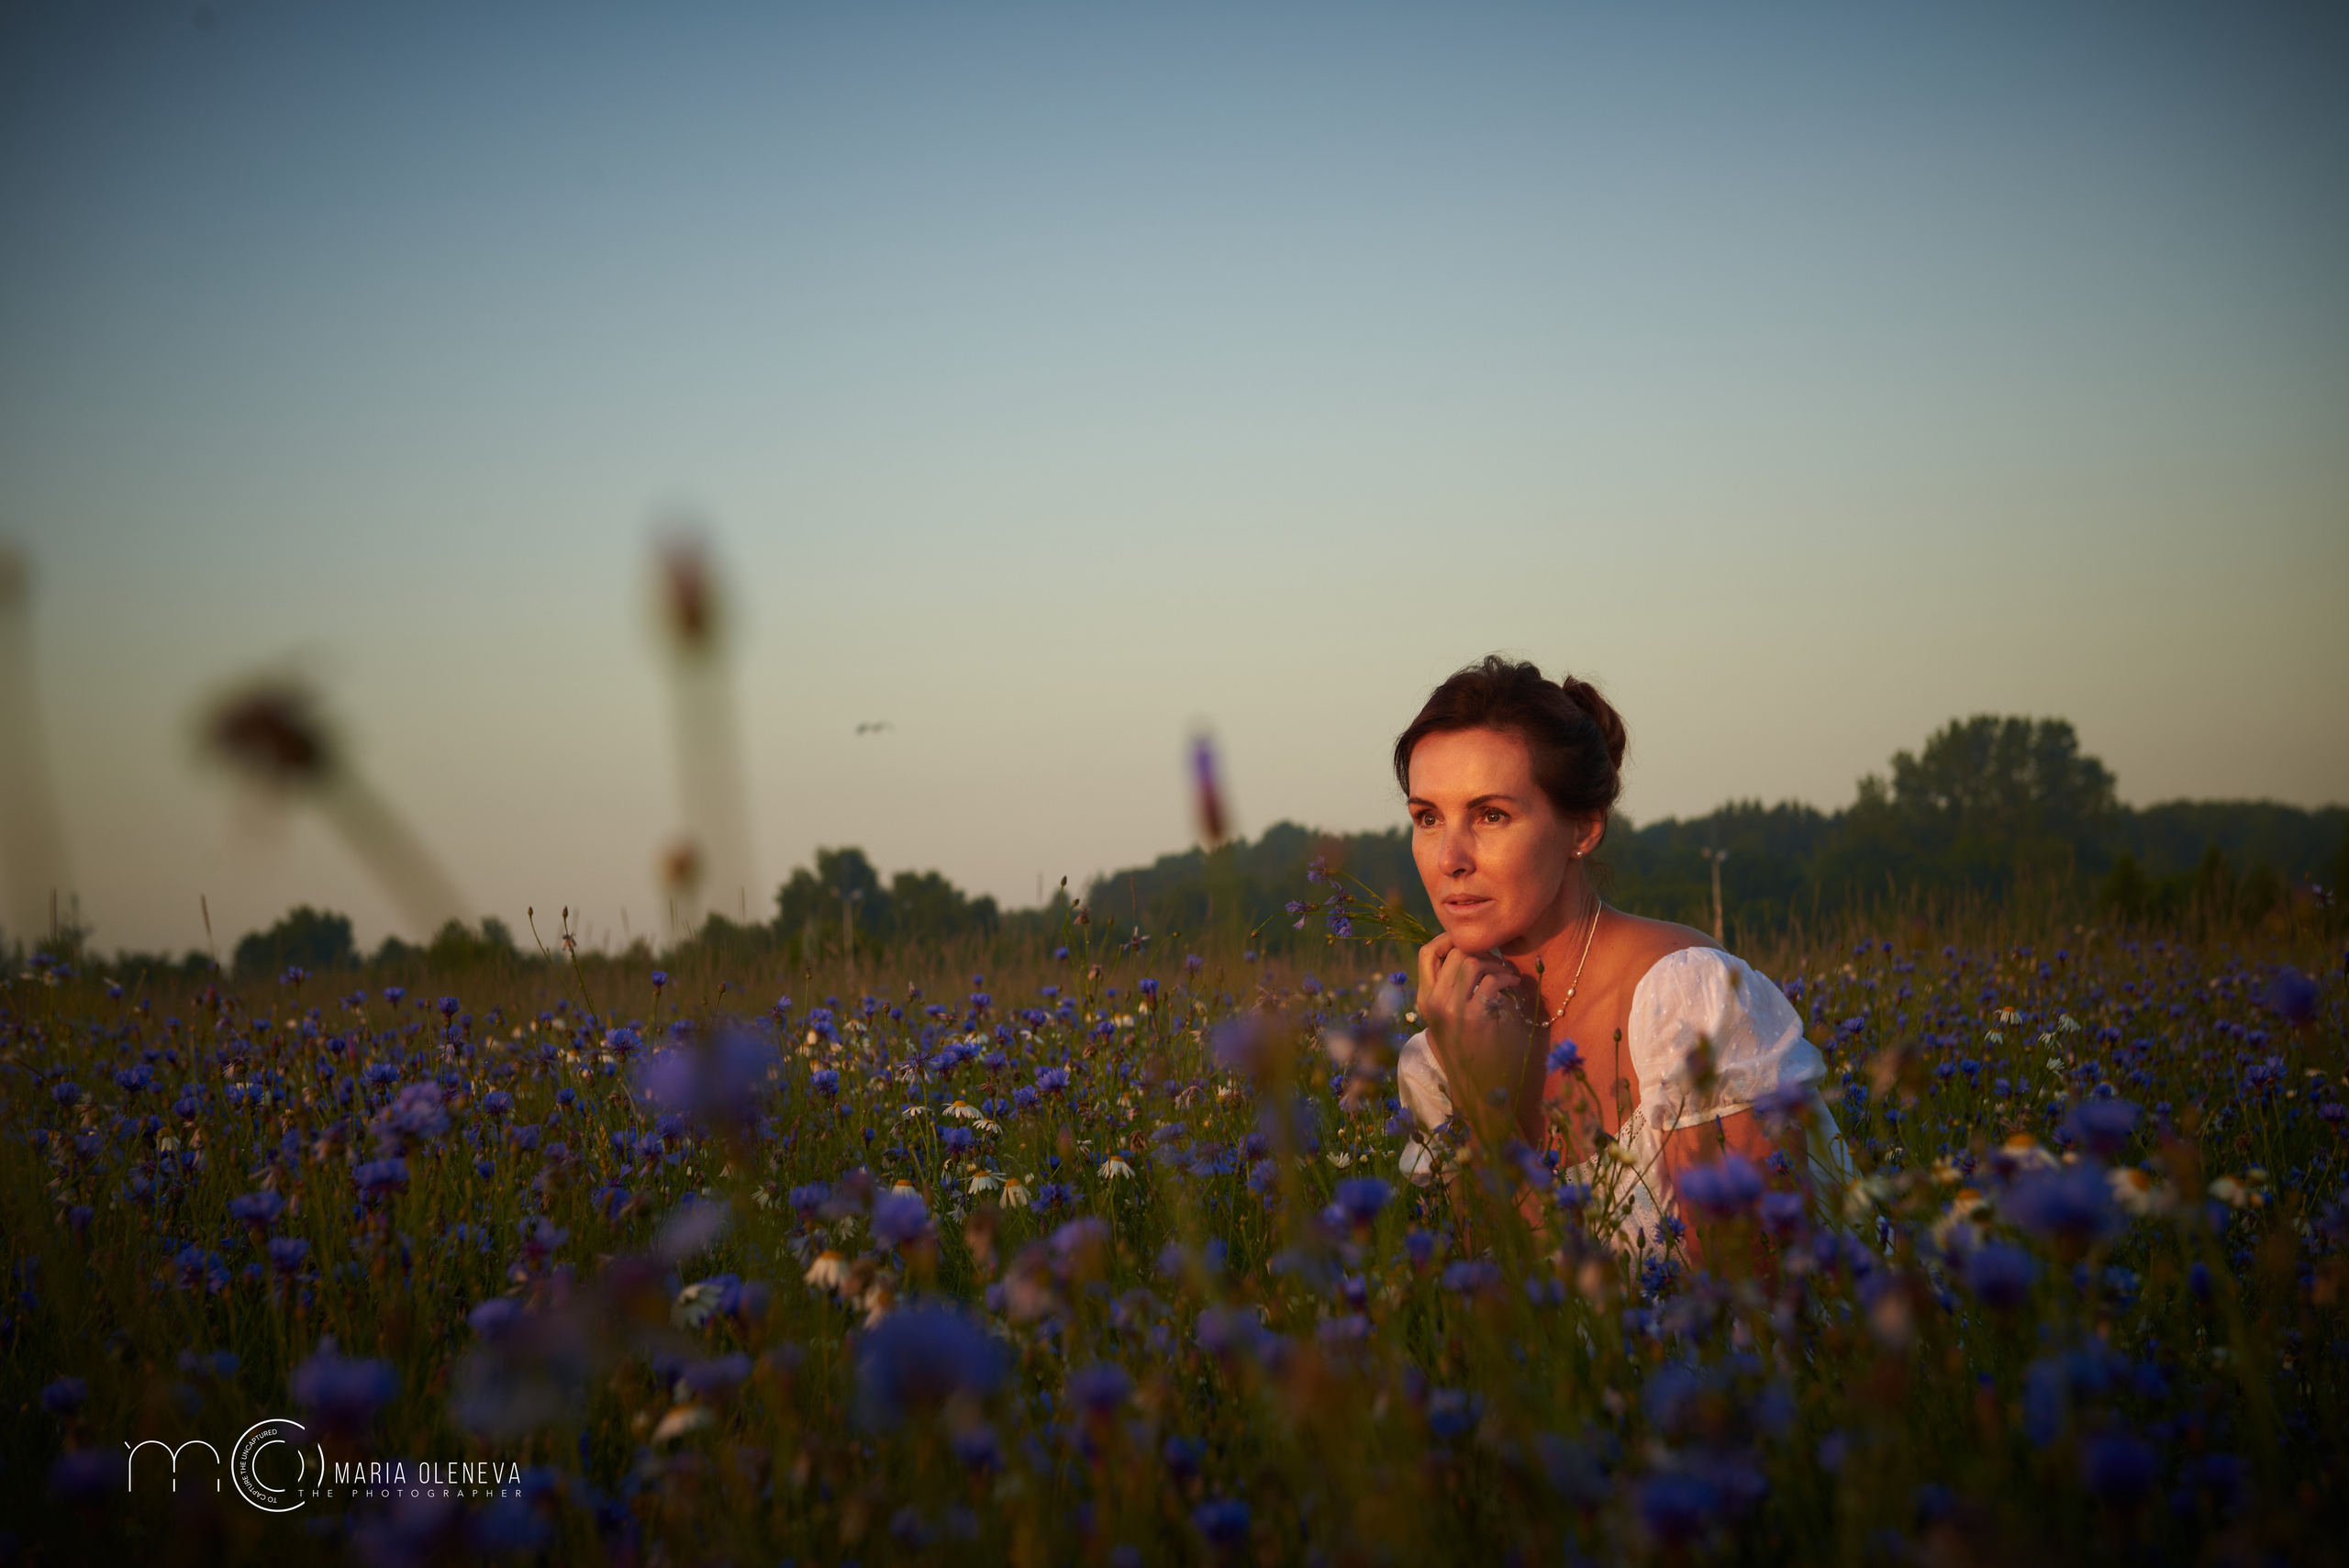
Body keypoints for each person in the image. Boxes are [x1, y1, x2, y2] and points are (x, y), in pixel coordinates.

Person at [1391, 656, 1854, 1262]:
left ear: (1583, 828)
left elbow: (1763, 1306)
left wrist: (1491, 1118)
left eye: (1491, 815)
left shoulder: (1691, 1002)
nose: (1450, 856)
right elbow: (1500, 1317)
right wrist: (1474, 1098)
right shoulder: (1443, 1047)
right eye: (1428, 817)